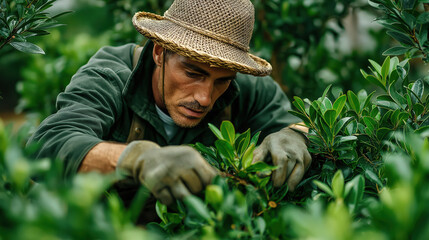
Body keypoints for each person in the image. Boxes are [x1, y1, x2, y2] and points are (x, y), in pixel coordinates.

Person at [28, 0, 311, 223]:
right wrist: (136, 159)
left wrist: (293, 136)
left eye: (222, 80)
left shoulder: (247, 89)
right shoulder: (110, 75)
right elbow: (49, 144)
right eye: (192, 72)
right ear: (159, 53)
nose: (204, 98)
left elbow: (294, 126)